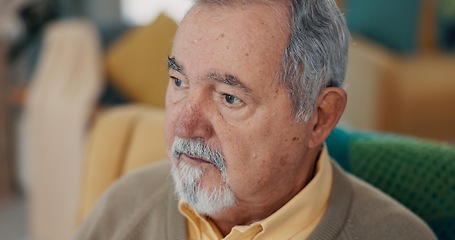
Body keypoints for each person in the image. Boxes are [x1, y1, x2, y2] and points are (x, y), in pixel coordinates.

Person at [75, 0, 436, 239]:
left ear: (320, 118)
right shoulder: (122, 209)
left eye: (230, 98)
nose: (184, 126)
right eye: (179, 82)